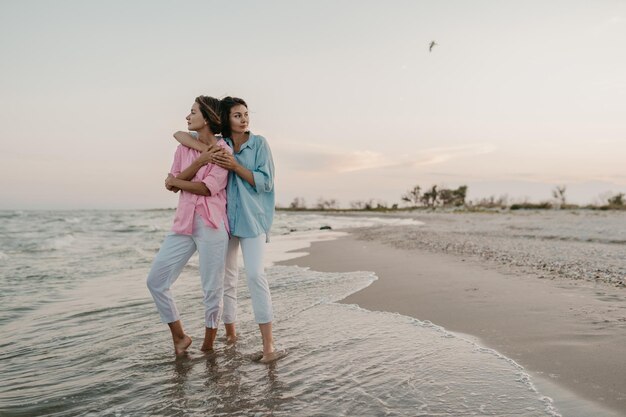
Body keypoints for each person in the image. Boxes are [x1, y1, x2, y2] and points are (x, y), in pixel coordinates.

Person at [173, 96, 285, 363]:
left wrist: (235, 166)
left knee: (256, 275)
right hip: (225, 221)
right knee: (227, 280)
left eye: (246, 114)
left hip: (252, 220)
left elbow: (265, 183)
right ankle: (231, 334)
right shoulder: (219, 144)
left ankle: (268, 345)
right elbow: (179, 134)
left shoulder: (259, 144)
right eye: (237, 115)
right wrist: (203, 151)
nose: (244, 119)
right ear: (225, 119)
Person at [147, 96, 232, 356]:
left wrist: (177, 182)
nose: (187, 116)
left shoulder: (223, 151)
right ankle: (180, 337)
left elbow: (206, 188)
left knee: (211, 288)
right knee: (156, 281)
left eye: (192, 112)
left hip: (212, 225)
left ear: (206, 117)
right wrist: (198, 162)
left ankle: (208, 347)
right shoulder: (184, 148)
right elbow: (170, 183)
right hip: (183, 224)